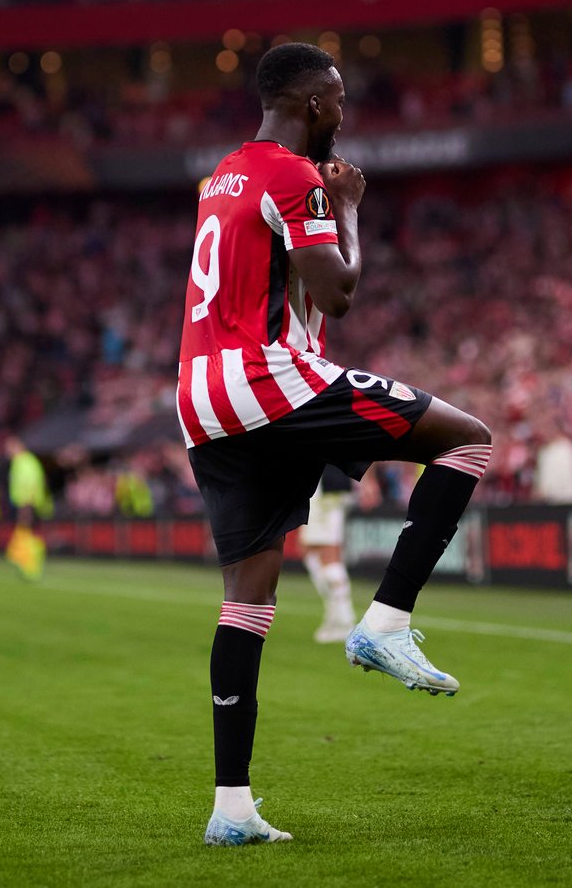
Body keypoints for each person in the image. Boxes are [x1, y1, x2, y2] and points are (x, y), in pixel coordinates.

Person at [181, 43, 492, 846]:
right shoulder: (296, 176)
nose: (344, 115)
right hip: (266, 376)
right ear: (314, 102)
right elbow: (338, 291)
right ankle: (385, 621)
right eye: (340, 101)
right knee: (468, 442)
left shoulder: (222, 175)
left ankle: (231, 807)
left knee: (247, 598)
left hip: (200, 391)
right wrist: (348, 206)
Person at [299, 466, 356, 643]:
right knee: (313, 553)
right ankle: (336, 615)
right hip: (332, 481)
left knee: (328, 554)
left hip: (324, 484)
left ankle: (344, 621)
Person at [4, 436, 49, 582]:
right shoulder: (23, 462)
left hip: (27, 504)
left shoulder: (24, 462)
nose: (7, 451)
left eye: (9, 447)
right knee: (27, 534)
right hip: (26, 503)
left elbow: (30, 483)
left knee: (27, 534)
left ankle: (30, 566)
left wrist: (26, 504)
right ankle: (26, 563)